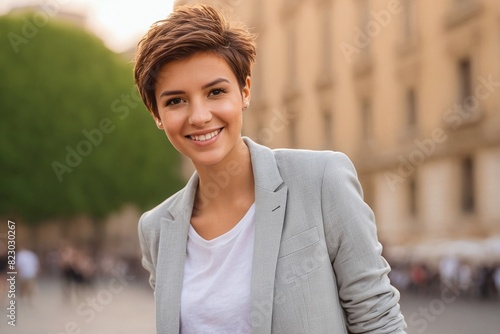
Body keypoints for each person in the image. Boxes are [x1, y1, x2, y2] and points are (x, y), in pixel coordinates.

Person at [134, 4, 406, 333]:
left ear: (245, 91)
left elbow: (378, 319)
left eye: (216, 92)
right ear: (157, 116)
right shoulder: (156, 230)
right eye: (176, 100)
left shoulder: (321, 181)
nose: (200, 116)